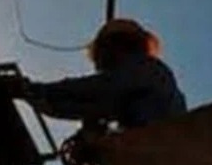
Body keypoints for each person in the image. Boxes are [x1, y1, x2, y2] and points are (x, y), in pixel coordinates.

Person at [19, 18, 187, 130]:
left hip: (157, 153)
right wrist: (34, 97)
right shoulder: (147, 79)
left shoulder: (145, 70)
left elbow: (93, 90)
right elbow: (87, 106)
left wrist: (39, 90)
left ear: (119, 45)